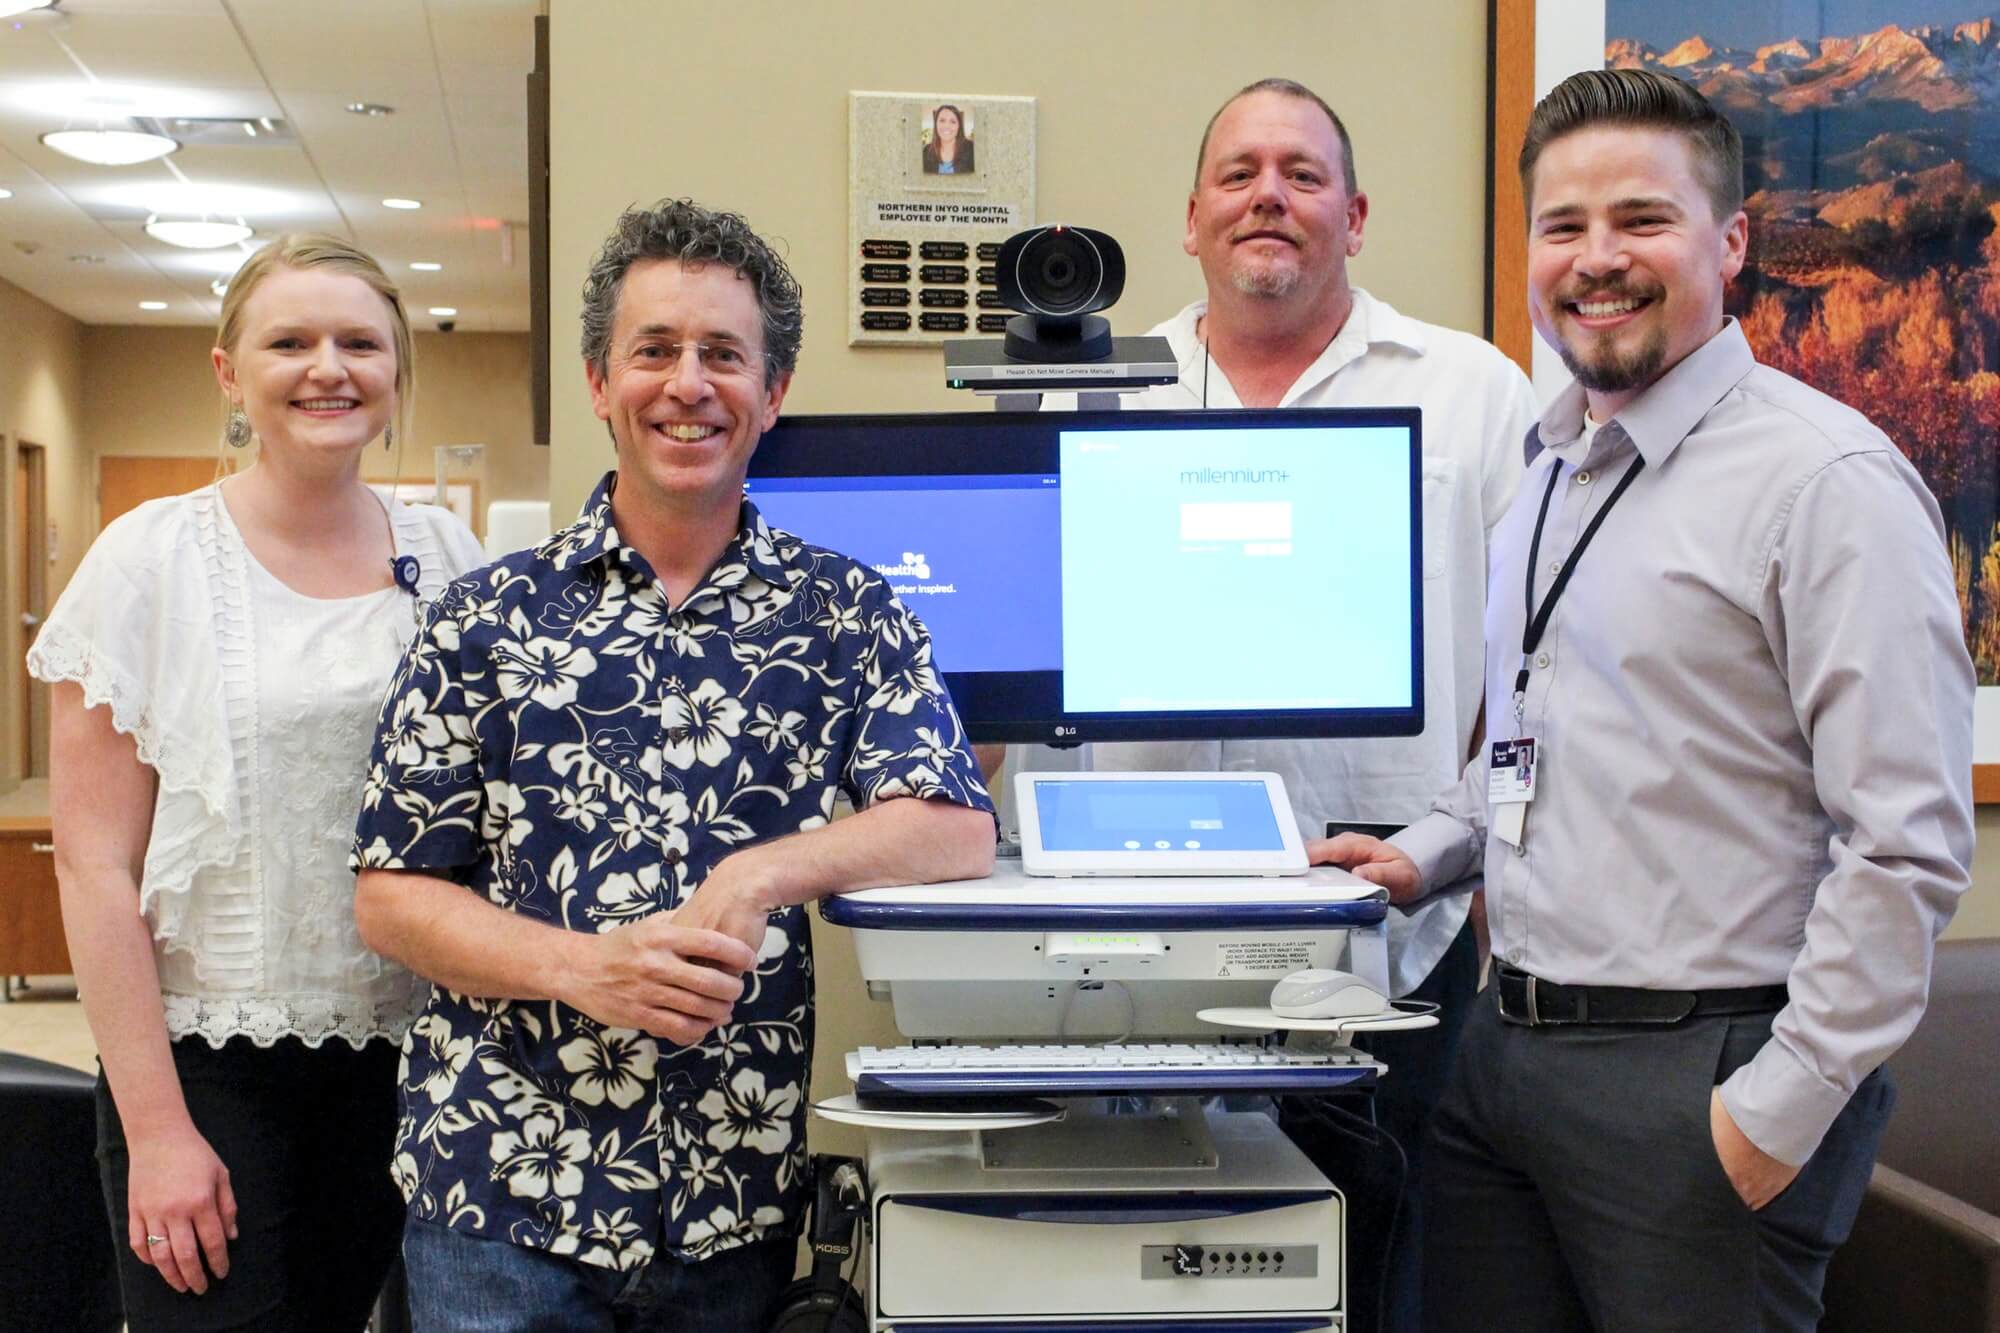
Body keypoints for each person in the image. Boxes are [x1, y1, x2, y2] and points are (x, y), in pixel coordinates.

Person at [1323, 68, 1974, 1332]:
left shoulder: (1823, 482)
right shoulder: (1550, 466)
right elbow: (1536, 740)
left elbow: (1905, 842)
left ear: (1728, 242)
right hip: (1500, 1059)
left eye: (1640, 220)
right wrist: (1423, 854)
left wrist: (1773, 1111)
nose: (1595, 259)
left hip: (1700, 1077)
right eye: (1562, 227)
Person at [350, 197, 995, 1330]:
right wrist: (583, 967)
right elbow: (392, 895)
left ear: (773, 392)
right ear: (601, 383)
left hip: (725, 1207)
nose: (687, 383)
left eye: (723, 355)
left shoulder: (846, 609)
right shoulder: (481, 619)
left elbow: (951, 823)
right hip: (498, 1195)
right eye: (653, 350)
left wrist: (757, 875)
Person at [999, 76, 1537, 1333]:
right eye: (1238, 173)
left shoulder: (1471, 396)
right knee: (1131, 1277)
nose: (1268, 197)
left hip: (1384, 938)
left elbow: (1534, 667)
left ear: (1354, 217)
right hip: (1120, 951)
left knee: (1372, 1279)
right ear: (1189, 218)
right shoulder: (1090, 391)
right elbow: (1013, 659)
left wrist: (1442, 850)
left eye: (1301, 174)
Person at [30, 234, 486, 1329]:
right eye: (290, 341)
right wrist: (156, 1130)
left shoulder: (450, 555)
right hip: (205, 1066)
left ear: (395, 372)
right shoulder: (148, 561)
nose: (327, 367)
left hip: (411, 1057)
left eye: (359, 343)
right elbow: (94, 866)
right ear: (231, 372)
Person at [922, 102, 975, 174]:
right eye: (942, 120)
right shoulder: (926, 151)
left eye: (953, 122)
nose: (946, 126)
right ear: (936, 124)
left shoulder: (972, 149)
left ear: (959, 126)